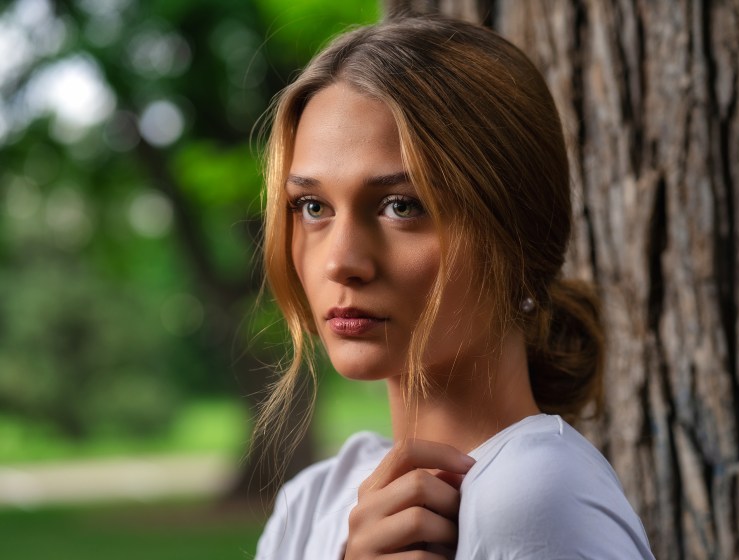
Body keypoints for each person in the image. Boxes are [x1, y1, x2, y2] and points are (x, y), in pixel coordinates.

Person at [254, 13, 655, 560]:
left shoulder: (533, 498)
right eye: (313, 206)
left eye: (402, 205)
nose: (341, 262)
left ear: (517, 233)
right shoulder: (312, 502)